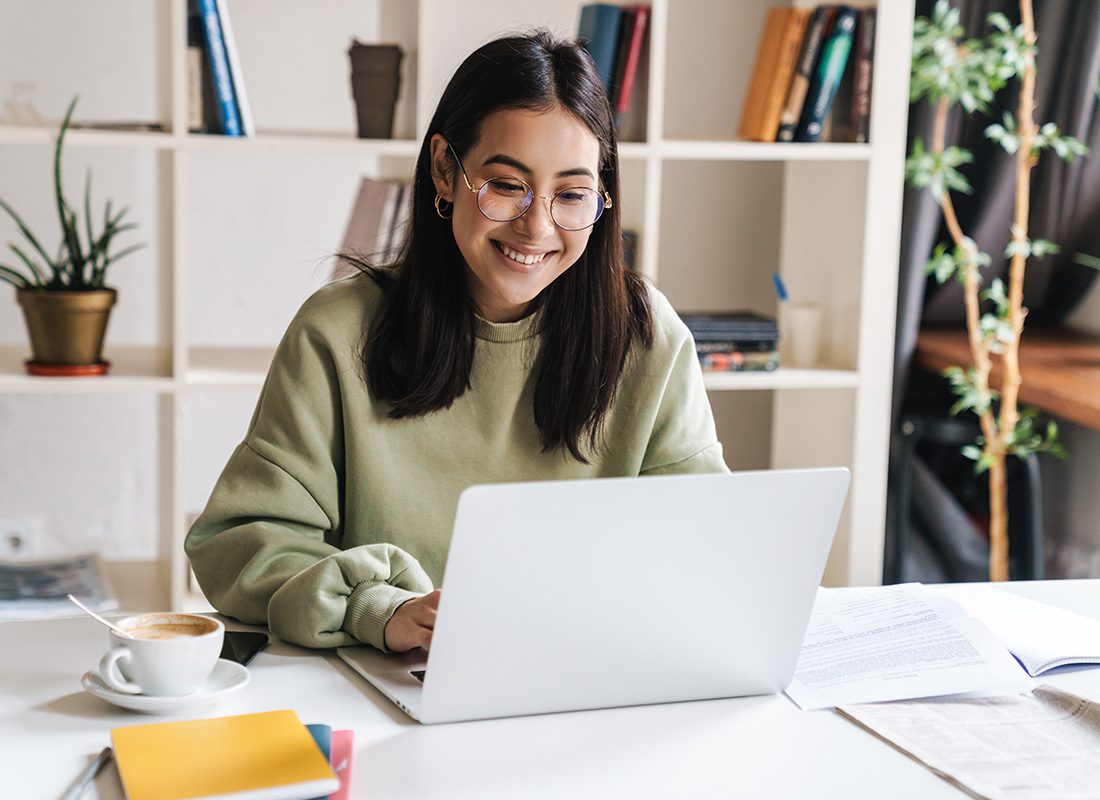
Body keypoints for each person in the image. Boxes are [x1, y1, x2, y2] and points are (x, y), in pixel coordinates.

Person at [185, 31, 728, 655]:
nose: (537, 226)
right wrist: (375, 606)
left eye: (572, 194)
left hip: (587, 677)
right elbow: (241, 540)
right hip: (390, 681)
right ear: (445, 169)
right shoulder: (336, 334)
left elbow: (703, 544)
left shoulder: (647, 339)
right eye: (505, 184)